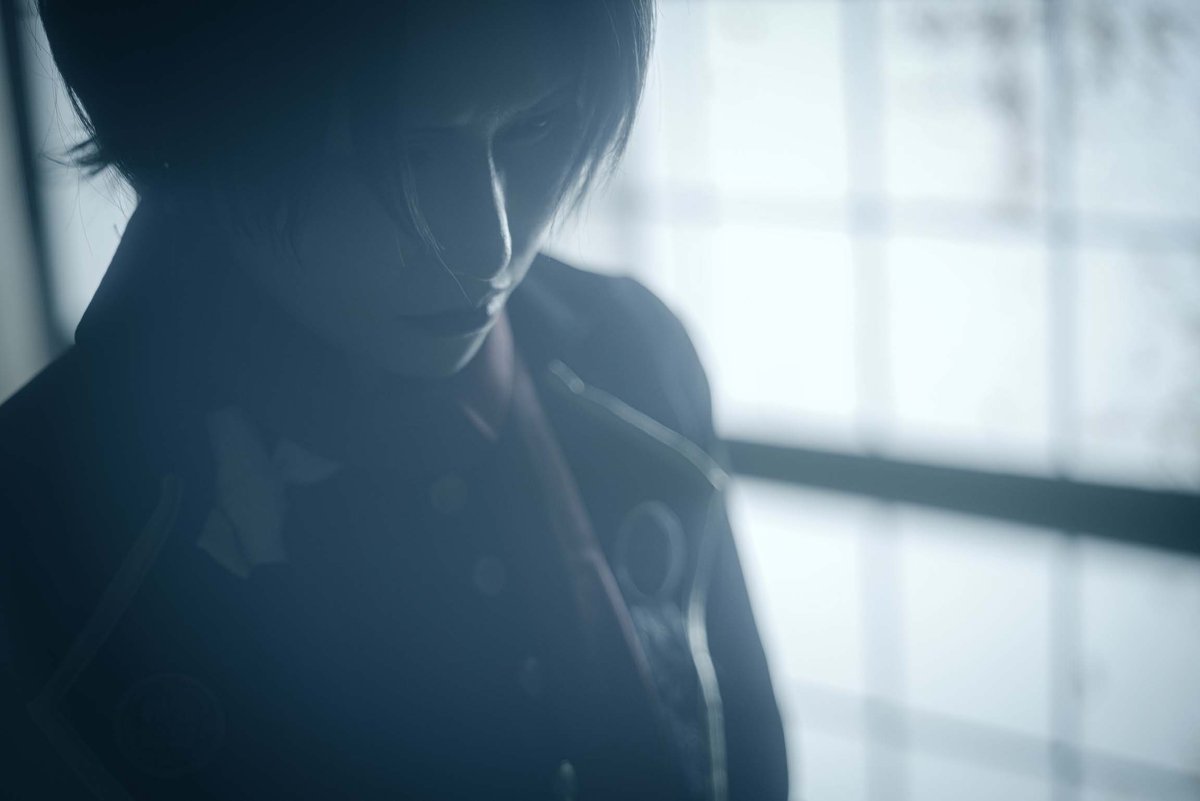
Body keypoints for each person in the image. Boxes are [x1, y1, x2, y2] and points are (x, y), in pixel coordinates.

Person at [0, 1, 788, 798]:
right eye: (401, 152)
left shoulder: (632, 350)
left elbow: (751, 761)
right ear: (198, 128)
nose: (489, 244)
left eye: (536, 128)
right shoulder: (39, 515)